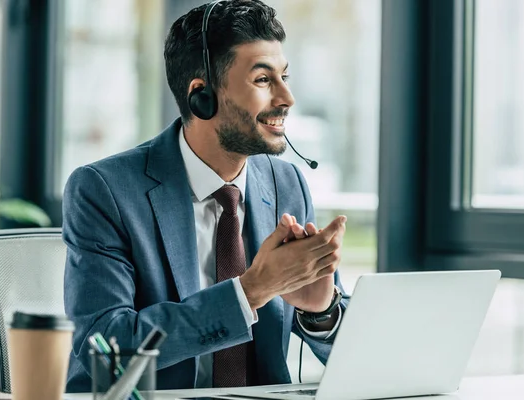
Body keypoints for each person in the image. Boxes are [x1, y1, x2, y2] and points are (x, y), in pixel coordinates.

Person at [63, 0, 348, 392]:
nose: (287, 97)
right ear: (202, 96)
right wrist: (251, 292)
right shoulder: (105, 190)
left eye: (284, 76)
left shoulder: (287, 185)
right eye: (264, 80)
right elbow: (106, 346)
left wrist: (321, 311)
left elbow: (347, 351)